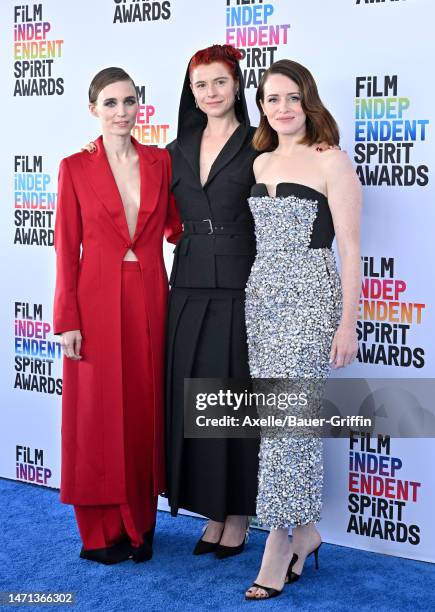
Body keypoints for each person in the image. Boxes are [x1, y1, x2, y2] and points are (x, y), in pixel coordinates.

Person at [53, 67, 182, 564]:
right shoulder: (75, 167)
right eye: (110, 103)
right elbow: (66, 248)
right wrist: (67, 318)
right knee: (95, 415)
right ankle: (102, 532)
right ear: (93, 110)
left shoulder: (158, 162)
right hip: (94, 302)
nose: (122, 112)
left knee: (143, 410)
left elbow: (176, 224)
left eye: (129, 101)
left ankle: (141, 525)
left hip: (151, 296)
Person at [244, 59, 361, 599]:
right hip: (262, 297)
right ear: (262, 105)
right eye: (272, 99)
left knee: (290, 423)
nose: (283, 108)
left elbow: (351, 248)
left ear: (307, 100)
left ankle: (277, 541)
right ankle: (308, 532)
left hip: (312, 297)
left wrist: (347, 323)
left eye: (292, 97)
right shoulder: (261, 162)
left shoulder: (331, 161)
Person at [165, 44, 259, 557]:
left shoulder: (259, 143)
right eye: (201, 85)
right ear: (192, 92)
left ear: (237, 85)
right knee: (195, 397)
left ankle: (239, 512)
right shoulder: (179, 147)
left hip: (243, 284)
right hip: (188, 284)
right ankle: (212, 511)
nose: (211, 93)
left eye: (219, 82)